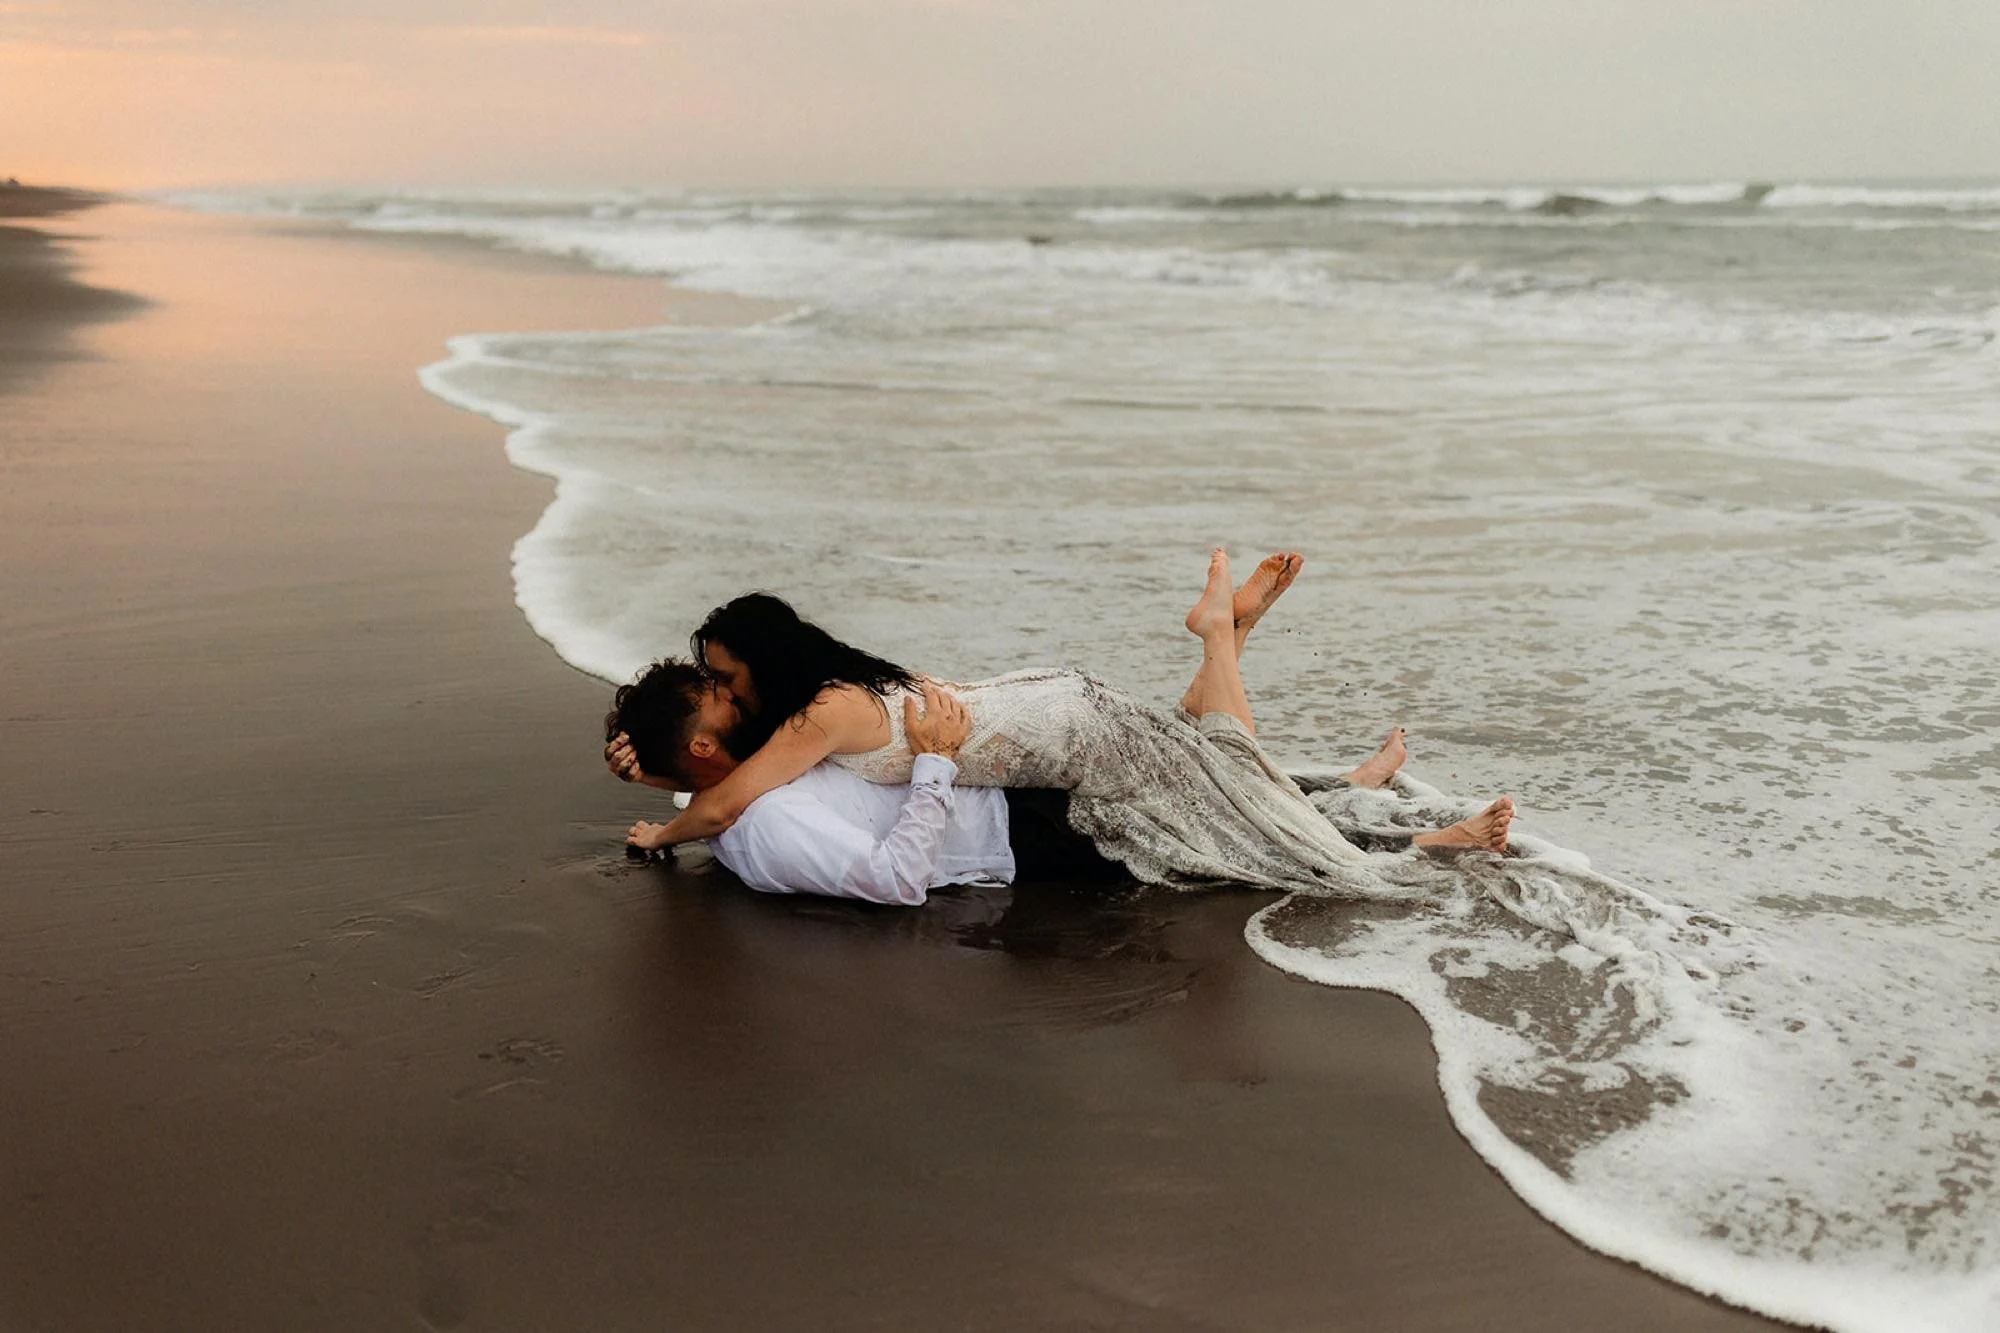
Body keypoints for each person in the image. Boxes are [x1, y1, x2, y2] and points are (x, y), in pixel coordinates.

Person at [606, 552, 1513, 900]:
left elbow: (727, 805)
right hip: (1054, 714)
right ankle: (1329, 760)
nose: (719, 690)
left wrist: (662, 829)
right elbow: (727, 771)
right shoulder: (827, 693)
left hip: (1067, 738)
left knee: (1244, 828)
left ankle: (1422, 840)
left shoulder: (817, 715)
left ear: (764, 664)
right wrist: (654, 774)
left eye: (724, 675)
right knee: (1212, 776)